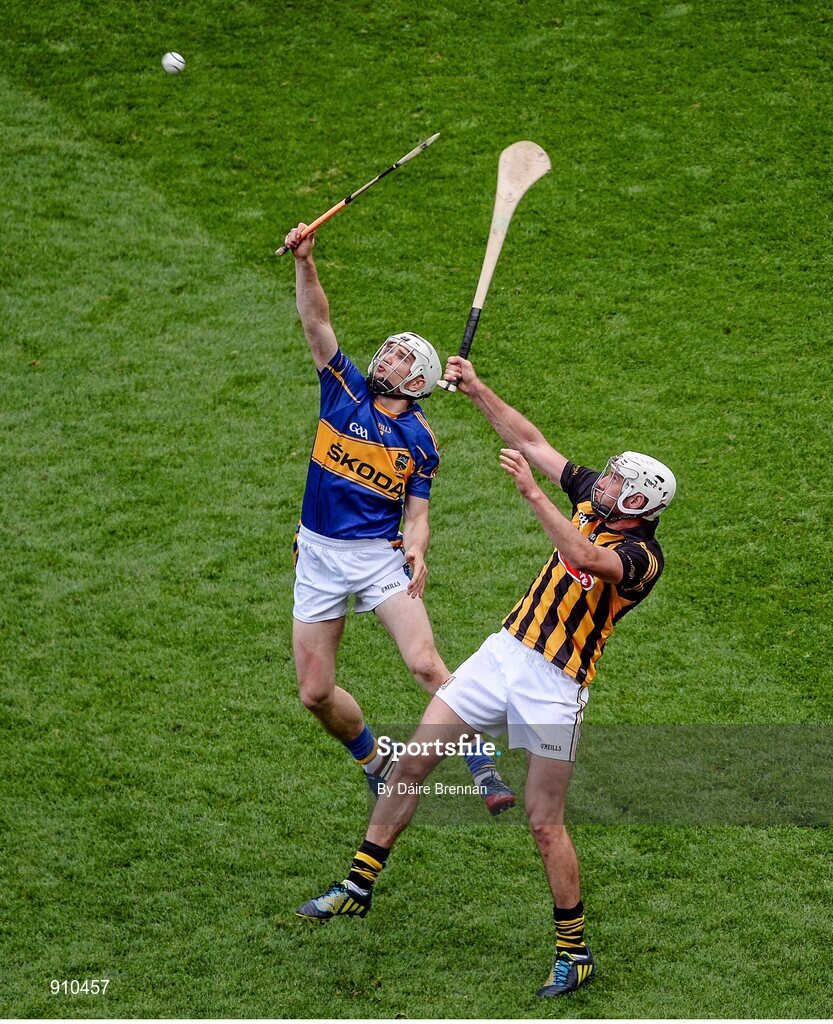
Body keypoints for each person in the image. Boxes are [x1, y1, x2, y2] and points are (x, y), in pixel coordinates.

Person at [295, 354, 677, 999]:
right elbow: (530, 440)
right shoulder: (594, 498)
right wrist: (476, 391)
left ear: (637, 503)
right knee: (413, 762)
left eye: (615, 482)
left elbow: (583, 555)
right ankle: (358, 885)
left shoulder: (641, 555)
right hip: (502, 653)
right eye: (604, 477)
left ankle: (573, 949)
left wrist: (533, 495)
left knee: (543, 819)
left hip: (555, 685)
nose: (601, 482)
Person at [284, 227, 515, 815]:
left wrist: (417, 549)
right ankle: (374, 762)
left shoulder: (420, 440)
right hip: (317, 555)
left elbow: (418, 513)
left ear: (419, 381)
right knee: (314, 693)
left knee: (423, 662)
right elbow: (317, 323)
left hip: (377, 558)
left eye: (400, 358)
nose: (385, 357)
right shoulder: (343, 392)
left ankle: (480, 761)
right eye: (387, 350)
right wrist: (306, 263)